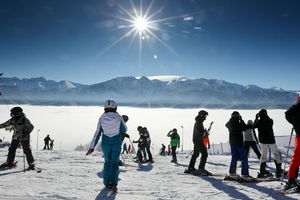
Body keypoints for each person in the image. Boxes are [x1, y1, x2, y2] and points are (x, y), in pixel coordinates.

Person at [86, 100, 127, 193]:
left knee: (108, 162)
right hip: (116, 142)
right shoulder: (119, 117)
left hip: (105, 143)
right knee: (115, 163)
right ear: (115, 108)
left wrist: (92, 147)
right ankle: (114, 183)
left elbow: (97, 133)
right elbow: (124, 129)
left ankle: (106, 183)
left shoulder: (101, 118)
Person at [253, 109, 283, 178]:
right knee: (276, 154)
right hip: (271, 140)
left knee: (263, 156)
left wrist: (256, 118)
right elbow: (268, 120)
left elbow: (253, 126)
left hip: (263, 141)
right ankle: (278, 171)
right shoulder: (270, 120)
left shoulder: (259, 122)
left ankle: (262, 171)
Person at [225, 111, 254, 180]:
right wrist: (241, 120)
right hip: (239, 144)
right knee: (244, 158)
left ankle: (232, 173)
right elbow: (245, 127)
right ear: (238, 116)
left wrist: (232, 119)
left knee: (234, 158)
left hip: (232, 143)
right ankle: (245, 174)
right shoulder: (239, 123)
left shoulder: (230, 123)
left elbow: (226, 124)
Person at [186, 110, 211, 175]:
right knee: (204, 154)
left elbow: (200, 132)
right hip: (198, 140)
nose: (206, 117)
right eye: (205, 115)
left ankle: (191, 168)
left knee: (196, 154)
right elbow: (199, 132)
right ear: (202, 115)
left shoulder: (199, 121)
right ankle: (201, 169)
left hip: (197, 140)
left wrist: (204, 132)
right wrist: (204, 132)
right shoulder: (199, 122)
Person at [284, 96, 300, 190]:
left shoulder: (296, 107)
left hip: (299, 135)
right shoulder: (297, 107)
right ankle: (291, 181)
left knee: (296, 158)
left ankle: (291, 180)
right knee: (297, 158)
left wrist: (294, 122)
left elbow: (287, 113)